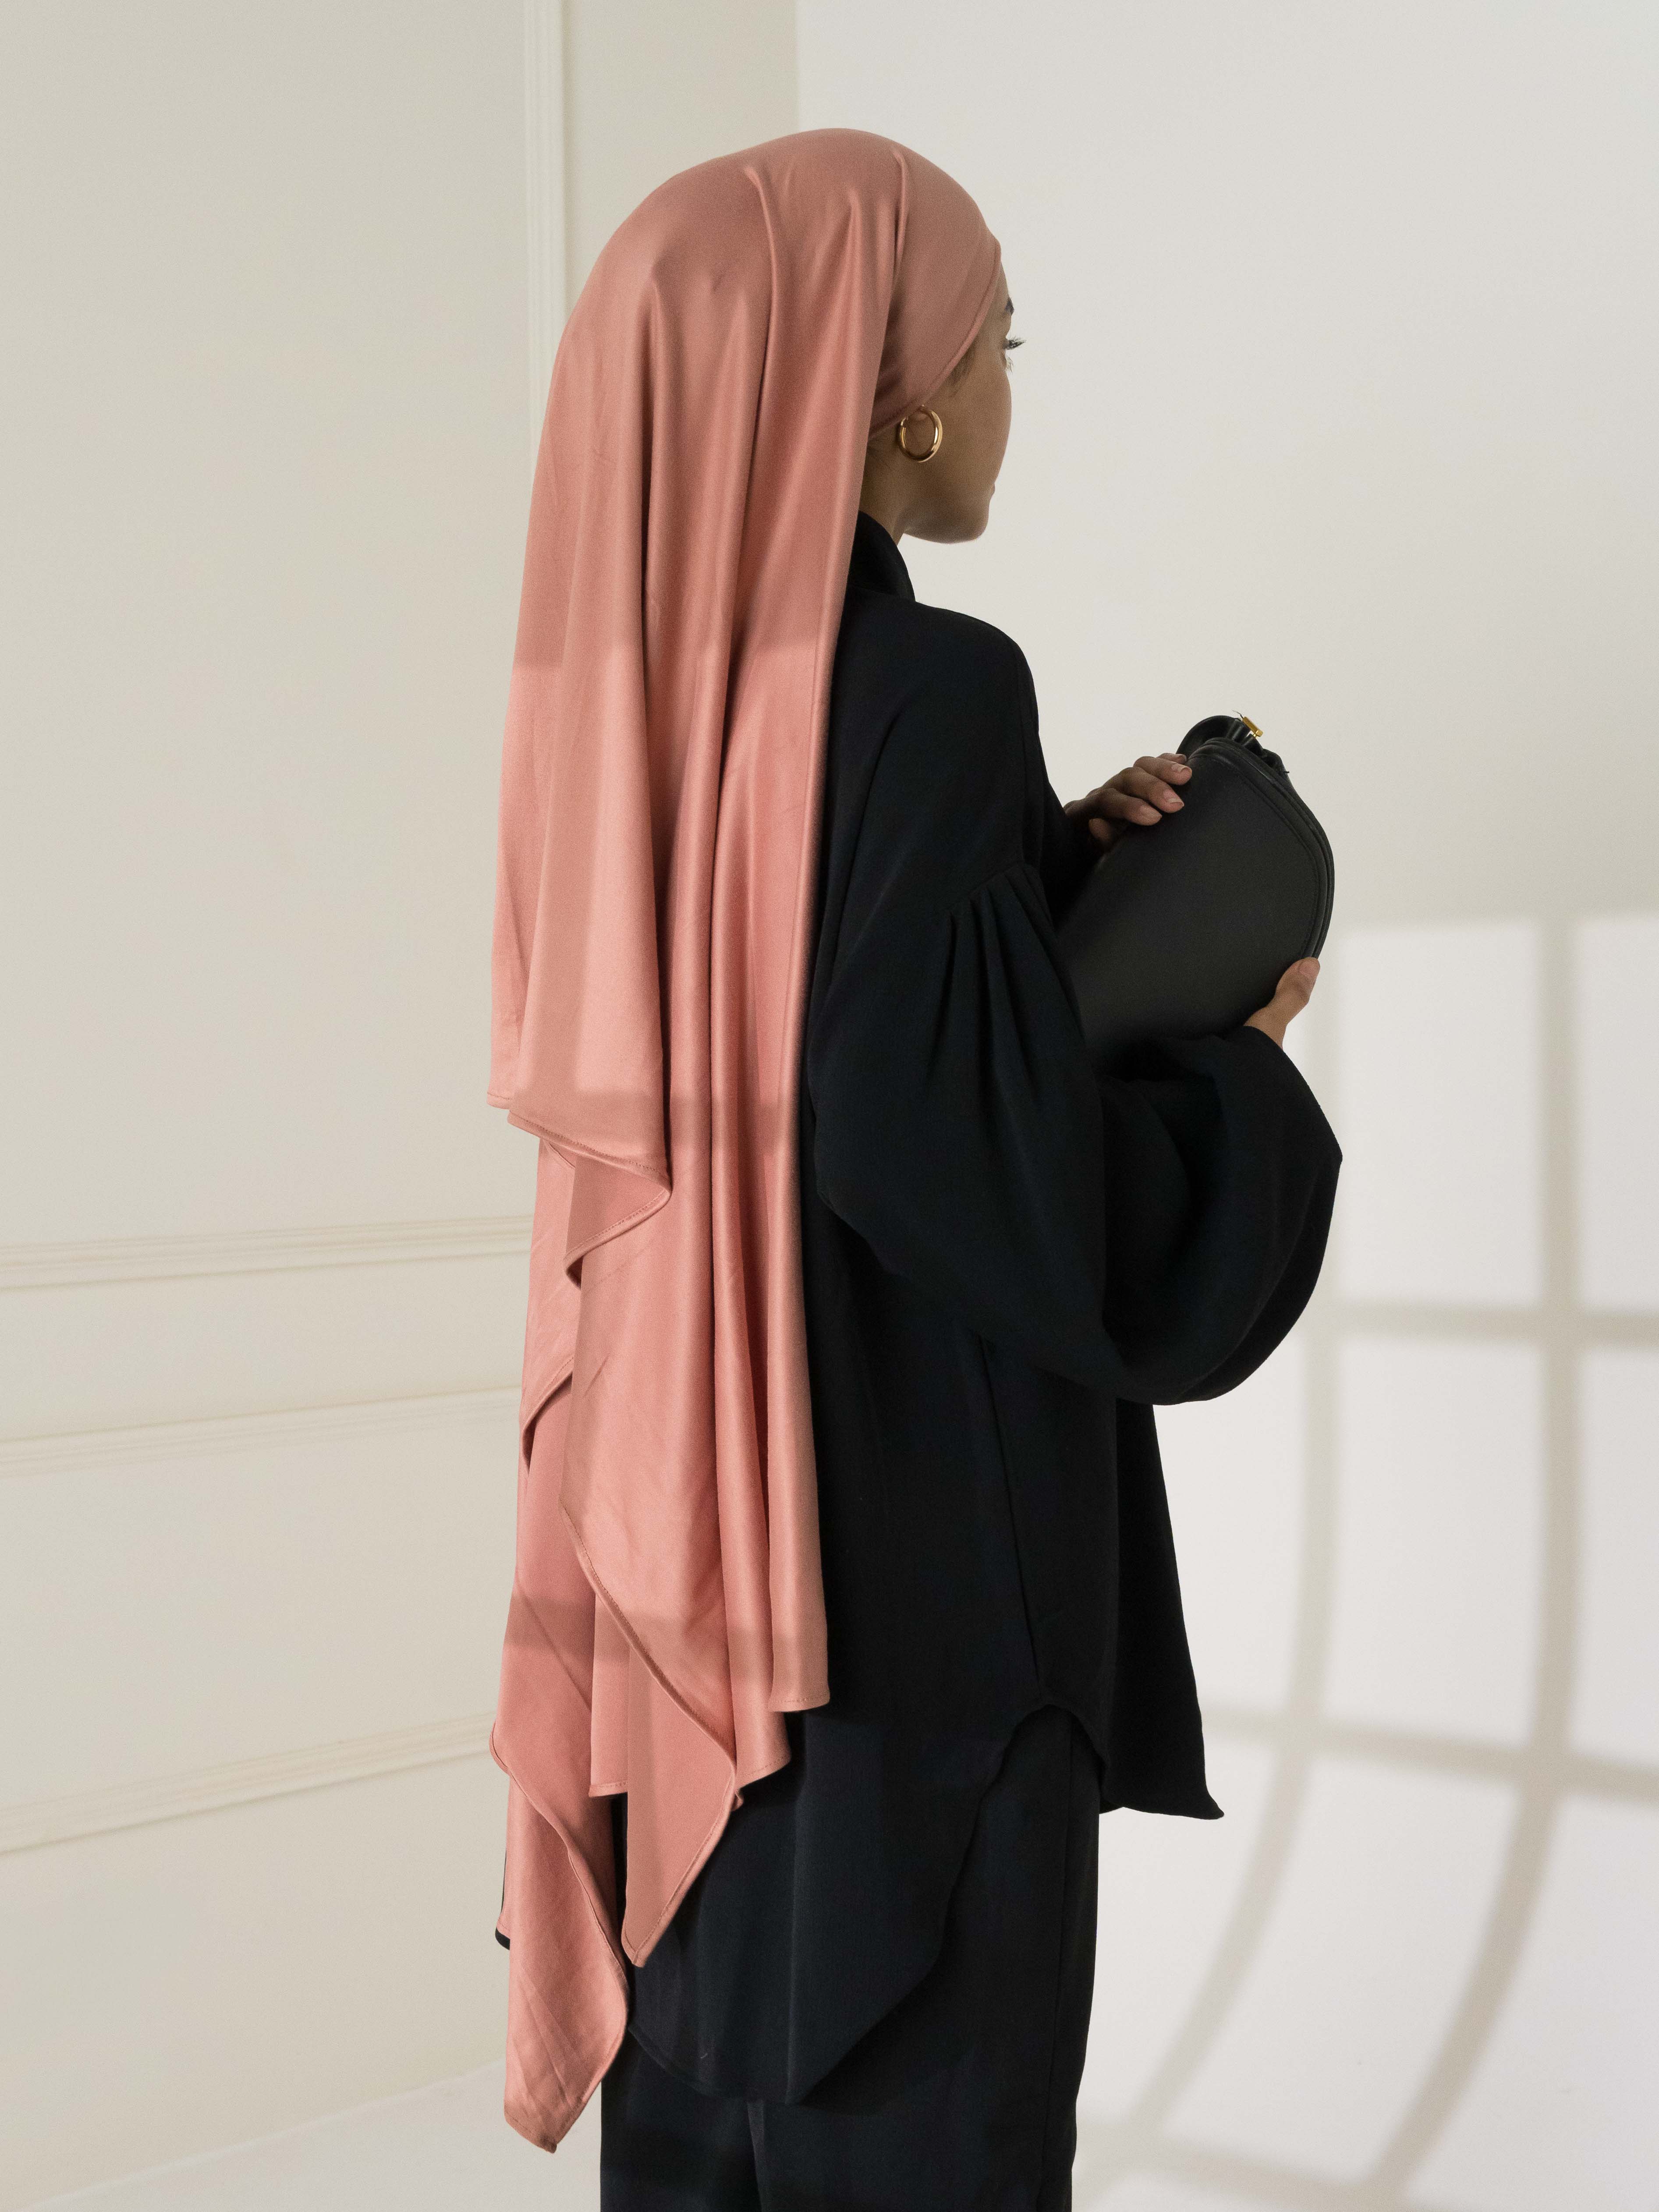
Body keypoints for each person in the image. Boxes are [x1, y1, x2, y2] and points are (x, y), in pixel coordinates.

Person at [486, 129, 1340, 2211]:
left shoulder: (638, 723)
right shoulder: (937, 686)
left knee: (710, 2139)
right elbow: (943, 1160)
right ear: (901, 401)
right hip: (917, 1604)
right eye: (996, 342)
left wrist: (1030, 881)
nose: (1003, 387)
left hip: (677, 1582)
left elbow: (772, 1050)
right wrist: (1235, 1082)